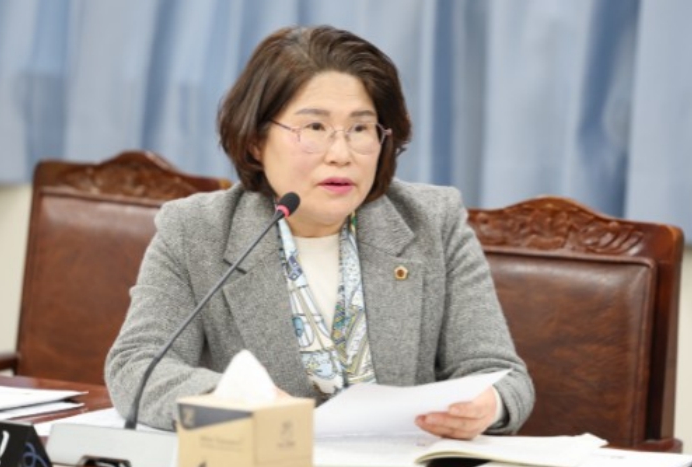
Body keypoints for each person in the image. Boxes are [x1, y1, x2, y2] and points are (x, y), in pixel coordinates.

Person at [105, 24, 534, 439]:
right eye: (314, 128)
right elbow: (136, 367)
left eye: (360, 129)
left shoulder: (432, 221)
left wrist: (488, 405)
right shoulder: (196, 230)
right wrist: (232, 399)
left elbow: (502, 374)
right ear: (255, 140)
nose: (341, 154)